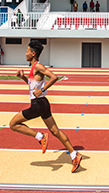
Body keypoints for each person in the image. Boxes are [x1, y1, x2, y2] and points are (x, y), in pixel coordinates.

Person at [9, 40, 83, 173]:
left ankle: (40, 136)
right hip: (43, 103)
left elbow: (54, 77)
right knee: (55, 131)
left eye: (27, 51)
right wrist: (23, 78)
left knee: (13, 124)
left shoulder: (38, 66)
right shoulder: (34, 68)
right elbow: (33, 86)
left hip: (38, 104)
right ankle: (74, 155)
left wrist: (42, 90)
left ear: (33, 53)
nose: (25, 53)